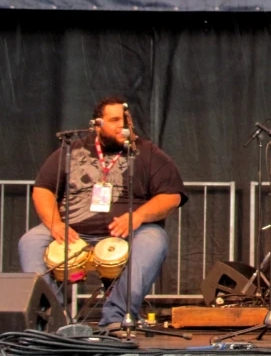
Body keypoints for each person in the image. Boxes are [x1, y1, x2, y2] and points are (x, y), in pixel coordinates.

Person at [18, 96, 187, 327]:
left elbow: (171, 196)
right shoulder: (71, 151)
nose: (123, 126)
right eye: (115, 120)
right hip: (71, 230)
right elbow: (43, 189)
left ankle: (116, 317)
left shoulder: (148, 153)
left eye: (126, 120)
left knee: (154, 241)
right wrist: (55, 223)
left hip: (129, 232)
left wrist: (137, 216)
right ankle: (52, 321)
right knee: (30, 242)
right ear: (97, 125)